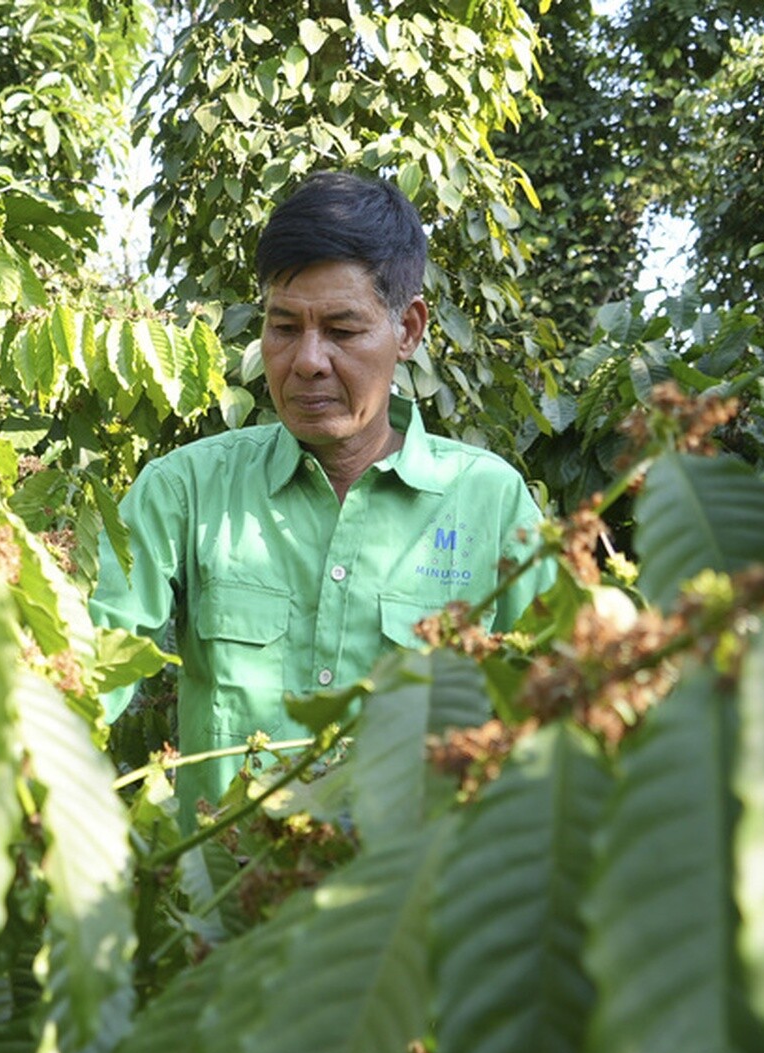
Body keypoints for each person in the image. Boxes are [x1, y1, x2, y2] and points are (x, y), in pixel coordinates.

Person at [89, 171, 552, 820]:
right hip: (223, 880)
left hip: (410, 883)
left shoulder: (490, 504)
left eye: (342, 330)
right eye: (284, 327)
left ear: (409, 329)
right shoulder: (184, 492)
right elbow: (91, 668)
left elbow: (554, 710)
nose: (307, 360)